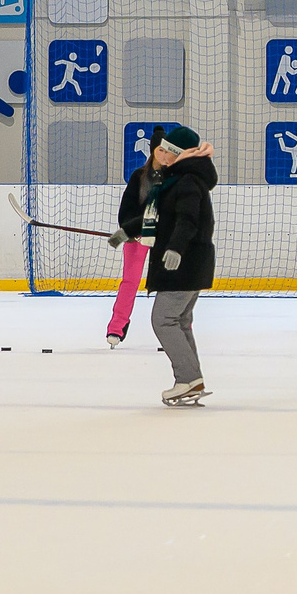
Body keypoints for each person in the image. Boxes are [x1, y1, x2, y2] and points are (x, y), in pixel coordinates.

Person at [129, 124, 217, 405]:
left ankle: (187, 379)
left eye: (168, 150)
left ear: (180, 154)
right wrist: (125, 233)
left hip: (183, 264)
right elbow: (159, 218)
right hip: (189, 264)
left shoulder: (187, 181)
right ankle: (192, 379)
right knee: (180, 321)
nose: (162, 154)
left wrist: (176, 248)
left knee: (164, 320)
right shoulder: (178, 179)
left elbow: (188, 219)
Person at [104, 129, 174, 348]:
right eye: (161, 150)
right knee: (130, 281)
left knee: (169, 284)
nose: (165, 156)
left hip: (163, 240)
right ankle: (117, 327)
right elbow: (126, 210)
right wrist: (132, 232)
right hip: (137, 237)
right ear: (153, 151)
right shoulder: (138, 177)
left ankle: (175, 332)